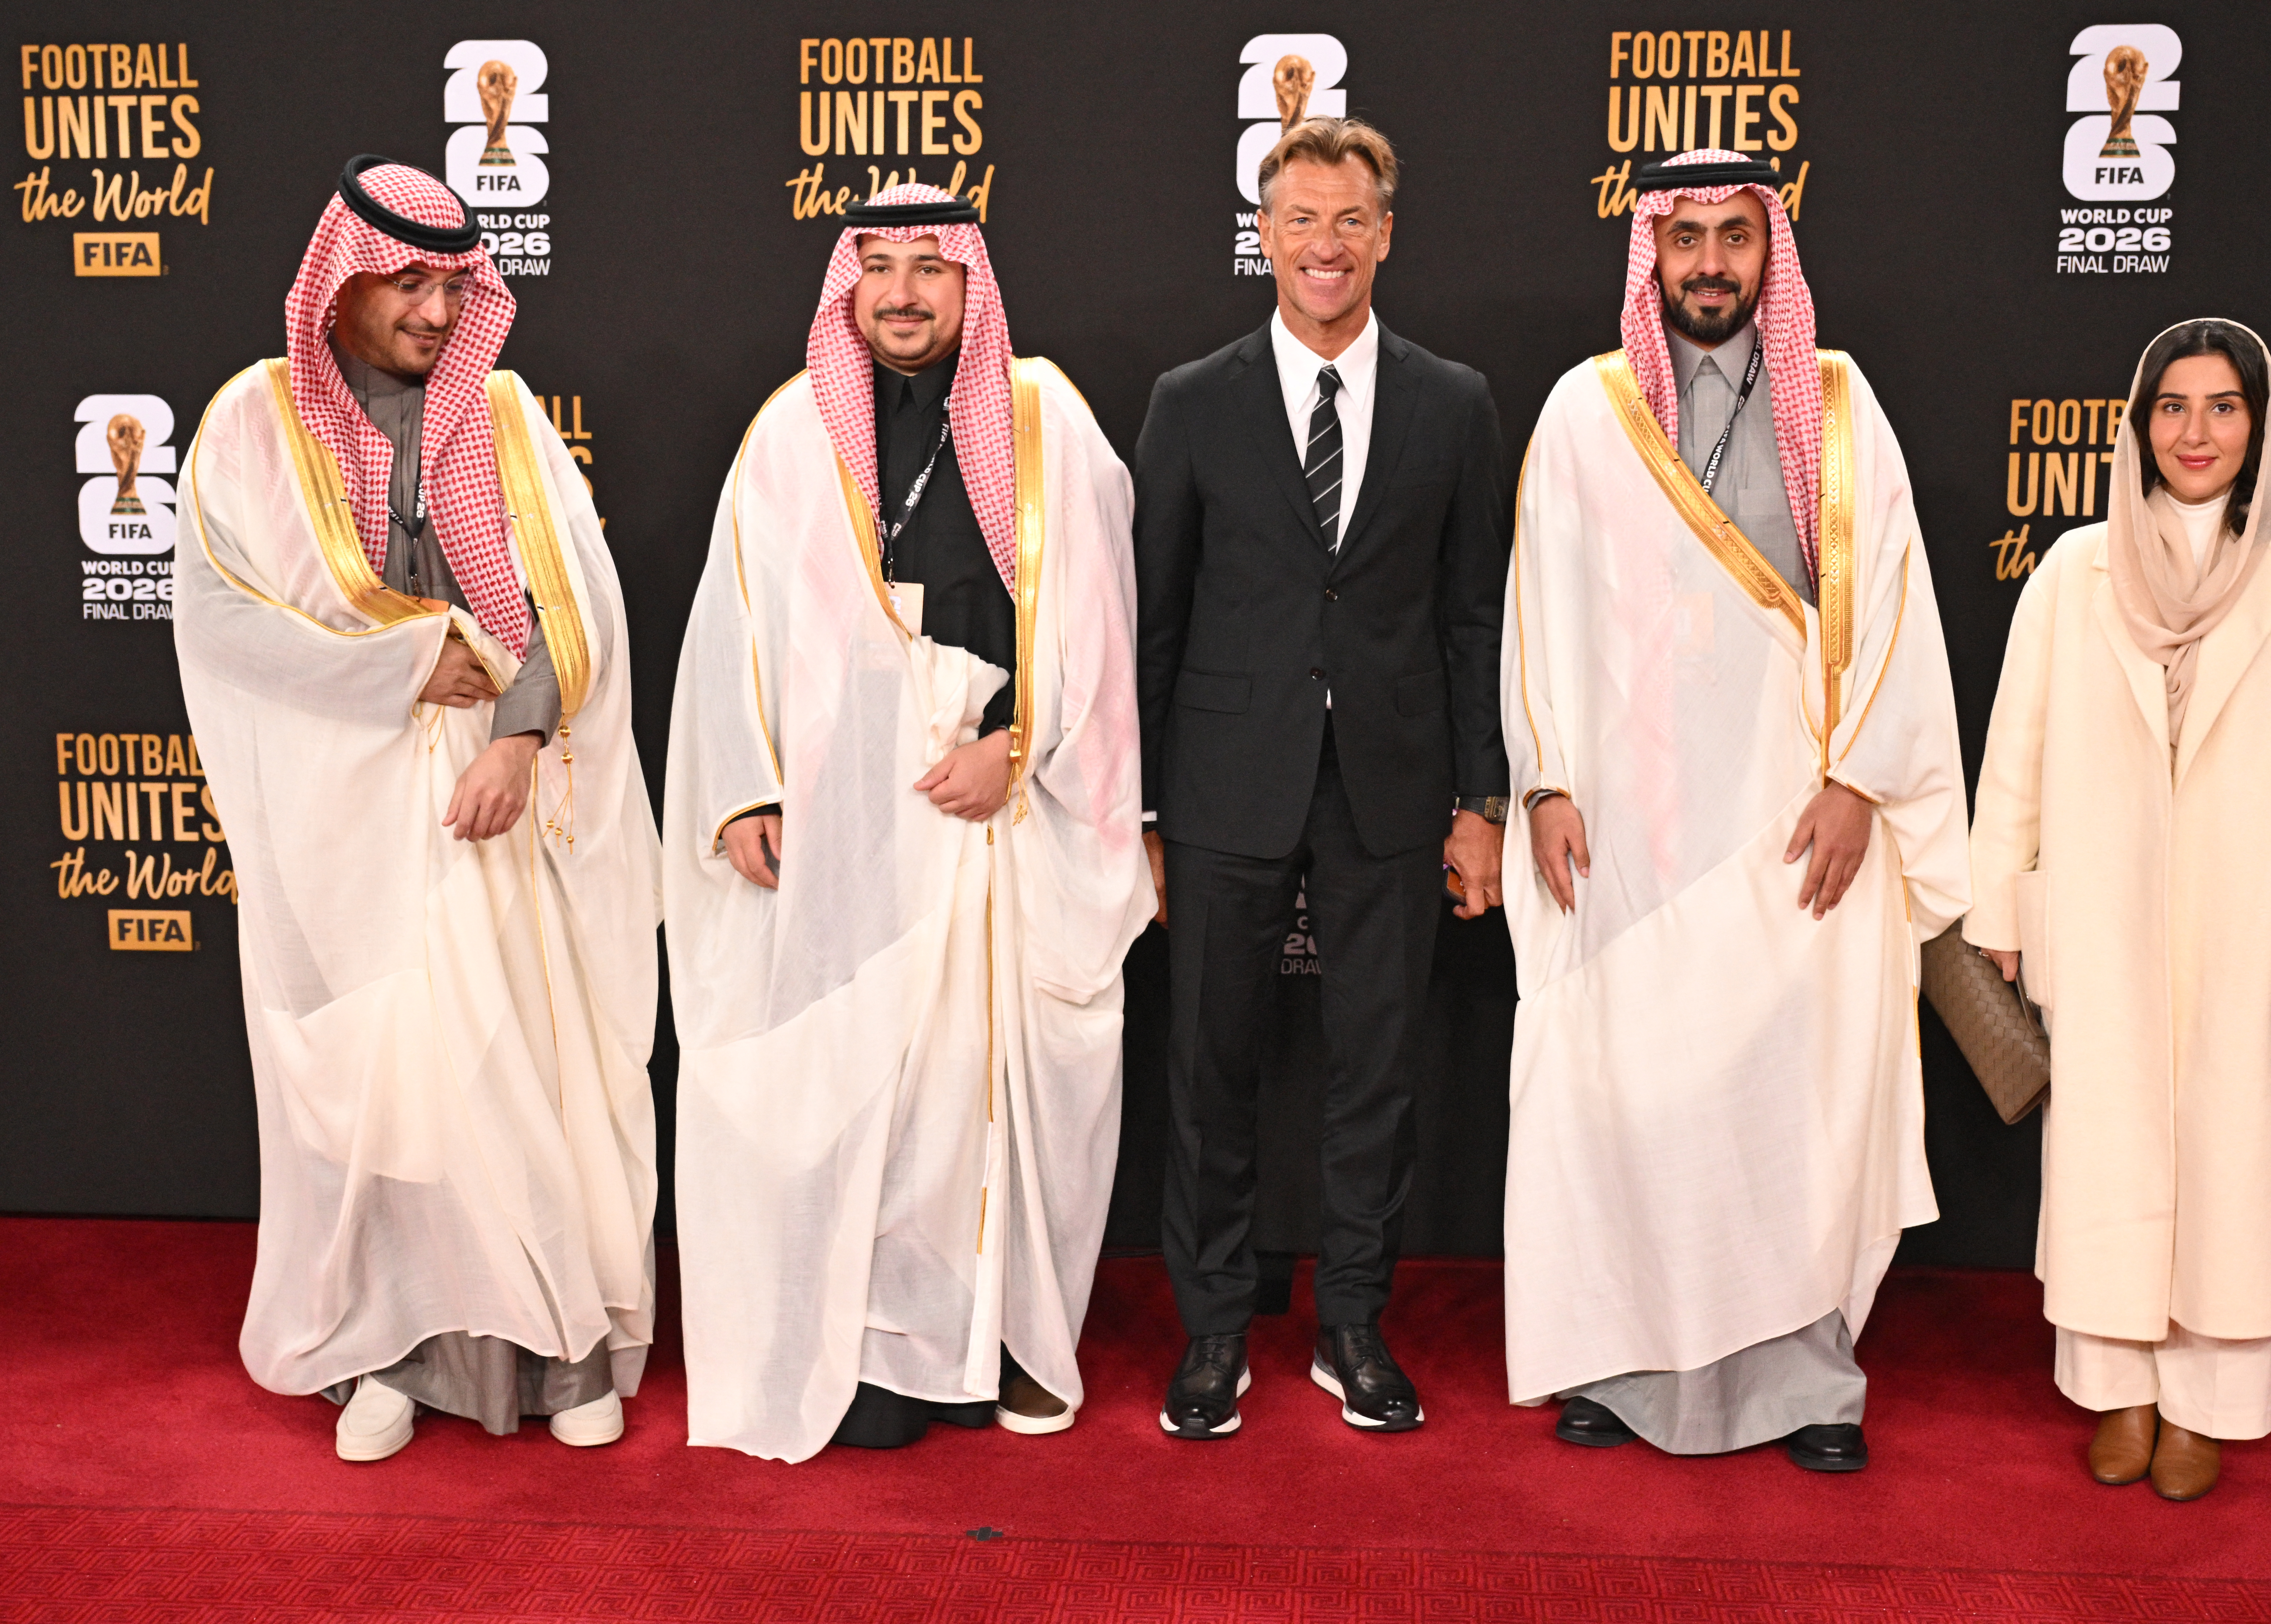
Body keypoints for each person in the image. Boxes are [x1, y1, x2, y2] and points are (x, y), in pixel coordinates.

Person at [172, 156, 661, 1461]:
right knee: (390, 1090)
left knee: (519, 1074)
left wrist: (513, 737)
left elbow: (576, 609)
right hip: (345, 808)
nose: (438, 313)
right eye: (408, 283)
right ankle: (385, 1351)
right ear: (340, 277)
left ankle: (559, 1356)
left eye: (456, 285)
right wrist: (397, 668)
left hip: (498, 802)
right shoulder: (253, 422)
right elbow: (223, 623)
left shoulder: (501, 415)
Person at [666, 186, 1152, 1463]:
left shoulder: (1046, 421)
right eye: (877, 267)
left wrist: (1023, 744)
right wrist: (743, 787)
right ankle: (880, 1342)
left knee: (983, 1094)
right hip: (850, 837)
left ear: (971, 284)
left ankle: (1000, 1342)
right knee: (866, 1091)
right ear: (847, 287)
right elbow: (734, 627)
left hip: (999, 821)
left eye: (931, 268)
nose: (901, 293)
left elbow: (1103, 623)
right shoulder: (792, 431)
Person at [1500, 150, 1968, 1472]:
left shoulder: (1841, 403)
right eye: (1686, 238)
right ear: (1651, 255)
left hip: (1791, 835)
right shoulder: (1586, 414)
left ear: (1772, 255)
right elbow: (1538, 611)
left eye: (1734, 238)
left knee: (1792, 1106)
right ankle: (1621, 1361)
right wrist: (1542, 777)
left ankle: (1810, 1382)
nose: (1709, 262)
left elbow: (1892, 601)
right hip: (1634, 839)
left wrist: (1862, 777)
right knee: (1631, 1099)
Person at [1964, 319, 2271, 1501]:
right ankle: (2123, 1392)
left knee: (2235, 1152)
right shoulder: (2071, 569)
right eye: (2174, 408)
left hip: (2254, 917)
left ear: (2259, 427)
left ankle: (2209, 1402)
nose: (2196, 433)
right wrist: (2000, 899)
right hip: (2103, 907)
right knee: (2108, 1146)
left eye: (2224, 408)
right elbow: (2017, 750)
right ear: (2138, 424)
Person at [1135, 117, 1509, 1440]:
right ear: (1265, 234)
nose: (1325, 245)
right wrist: (1147, 812)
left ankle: (1353, 1320)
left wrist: (1481, 797)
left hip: (1395, 789)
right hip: (1225, 780)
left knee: (1378, 1071)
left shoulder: (1455, 402)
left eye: (1350, 220)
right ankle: (1215, 1332)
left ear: (1386, 233)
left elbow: (1473, 618)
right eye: (1301, 218)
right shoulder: (1192, 400)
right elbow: (1156, 619)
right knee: (1208, 1063)